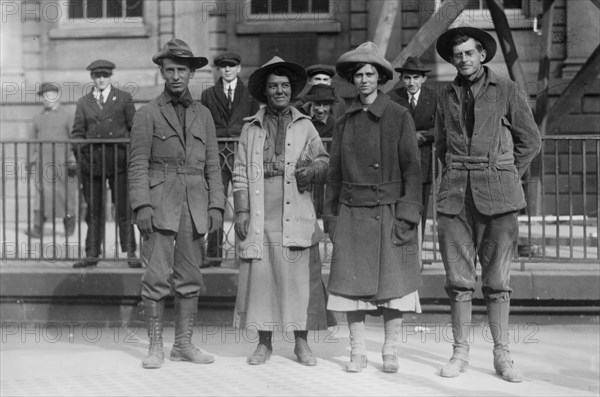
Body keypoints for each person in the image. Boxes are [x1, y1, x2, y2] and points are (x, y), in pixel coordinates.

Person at [434, 27, 541, 382]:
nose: (463, 59)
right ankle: (459, 353)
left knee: (497, 281)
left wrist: (505, 173)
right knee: (458, 280)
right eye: (457, 55)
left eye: (469, 53)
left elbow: (530, 141)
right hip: (454, 199)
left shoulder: (508, 91)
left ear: (482, 55)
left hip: (499, 200)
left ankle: (503, 356)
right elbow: (440, 144)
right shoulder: (445, 95)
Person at [326, 42, 423, 374]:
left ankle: (390, 350)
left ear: (380, 78)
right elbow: (335, 174)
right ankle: (357, 351)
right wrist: (332, 219)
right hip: (352, 212)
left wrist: (408, 213)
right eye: (358, 75)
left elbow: (412, 168)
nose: (364, 80)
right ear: (353, 81)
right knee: (350, 289)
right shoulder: (343, 121)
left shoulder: (399, 116)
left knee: (393, 288)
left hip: (389, 212)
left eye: (369, 74)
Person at [128, 38, 225, 369]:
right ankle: (155, 347)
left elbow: (213, 164)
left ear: (191, 73)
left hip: (195, 206)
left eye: (181, 70)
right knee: (156, 278)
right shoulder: (147, 114)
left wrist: (216, 207)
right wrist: (141, 206)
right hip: (159, 206)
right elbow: (138, 164)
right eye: (169, 70)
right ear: (162, 73)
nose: (175, 76)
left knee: (189, 277)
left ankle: (183, 344)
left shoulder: (205, 115)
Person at [232, 56, 329, 367]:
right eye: (273, 86)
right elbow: (239, 171)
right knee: (263, 277)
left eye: (285, 86)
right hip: (262, 209)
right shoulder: (250, 128)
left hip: (296, 206)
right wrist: (243, 209)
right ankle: (264, 344)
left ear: (292, 90)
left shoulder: (306, 125)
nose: (279, 91)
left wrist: (310, 171)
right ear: (265, 91)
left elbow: (324, 160)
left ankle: (302, 344)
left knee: (299, 278)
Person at [71, 59, 140, 268]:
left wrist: (129, 155)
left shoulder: (124, 99)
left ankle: (130, 253)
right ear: (92, 78)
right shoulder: (84, 102)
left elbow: (135, 129)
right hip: (93, 164)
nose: (101, 79)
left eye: (105, 75)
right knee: (93, 210)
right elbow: (77, 134)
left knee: (124, 209)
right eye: (97, 76)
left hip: (119, 162)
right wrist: (83, 157)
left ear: (110, 77)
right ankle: (92, 253)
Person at [200, 51, 259, 267]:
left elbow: (253, 125)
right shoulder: (208, 95)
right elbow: (205, 124)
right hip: (217, 154)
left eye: (231, 66)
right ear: (218, 69)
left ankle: (245, 252)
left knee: (244, 202)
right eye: (223, 66)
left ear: (238, 69)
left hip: (240, 153)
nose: (227, 70)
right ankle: (213, 255)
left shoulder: (250, 94)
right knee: (216, 201)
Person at [388, 57, 438, 242]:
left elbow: (441, 127)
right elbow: (388, 127)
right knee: (399, 205)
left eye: (416, 77)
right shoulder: (392, 98)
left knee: (421, 206)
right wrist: (411, 136)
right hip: (399, 163)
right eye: (407, 78)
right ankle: (399, 246)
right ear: (401, 79)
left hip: (424, 162)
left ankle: (417, 249)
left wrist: (424, 136)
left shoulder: (433, 97)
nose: (412, 82)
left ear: (423, 79)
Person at [25, 82, 78, 238]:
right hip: (43, 165)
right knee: (41, 196)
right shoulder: (37, 118)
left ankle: (69, 227)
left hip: (64, 164)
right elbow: (31, 142)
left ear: (57, 96)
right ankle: (38, 228)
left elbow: (75, 140)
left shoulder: (68, 116)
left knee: (66, 195)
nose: (48, 99)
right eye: (44, 96)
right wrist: (30, 162)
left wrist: (73, 159)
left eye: (51, 95)